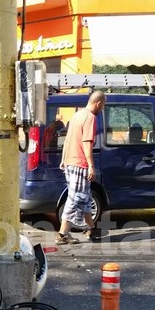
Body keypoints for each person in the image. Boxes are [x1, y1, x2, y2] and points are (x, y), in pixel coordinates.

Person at [55, 90, 105, 245]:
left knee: (85, 197)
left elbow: (67, 139)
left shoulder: (77, 115)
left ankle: (91, 229)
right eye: (103, 105)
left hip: (70, 162)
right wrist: (91, 165)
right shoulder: (90, 117)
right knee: (75, 198)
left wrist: (63, 159)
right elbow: (87, 143)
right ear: (98, 103)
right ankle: (62, 234)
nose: (102, 109)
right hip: (80, 164)